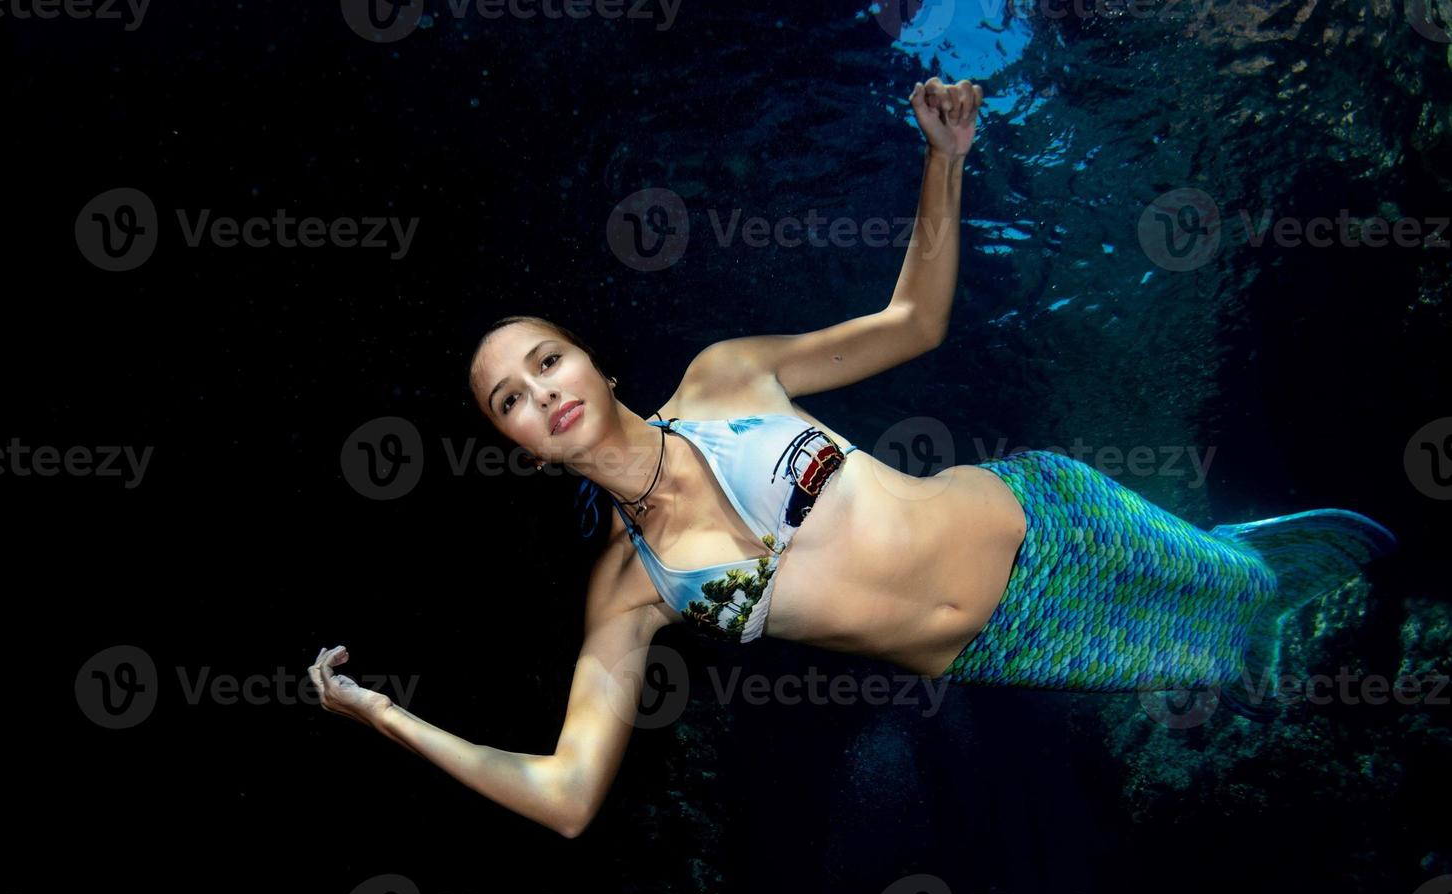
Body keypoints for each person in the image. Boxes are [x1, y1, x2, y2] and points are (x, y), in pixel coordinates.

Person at [306, 78, 1396, 838]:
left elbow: (913, 321)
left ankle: (1247, 555)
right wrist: (384, 715)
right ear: (515, 441)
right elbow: (567, 793)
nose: (541, 390)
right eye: (511, 397)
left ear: (589, 360)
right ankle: (1268, 623)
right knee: (1213, 655)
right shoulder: (628, 592)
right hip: (1008, 643)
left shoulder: (727, 377)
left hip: (1044, 516)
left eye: (546, 360)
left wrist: (944, 160)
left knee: (1238, 584)